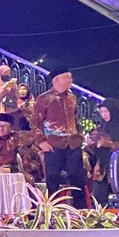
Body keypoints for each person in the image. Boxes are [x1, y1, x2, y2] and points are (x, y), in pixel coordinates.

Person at [32, 69, 86, 208]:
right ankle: (53, 211)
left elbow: (75, 118)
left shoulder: (72, 97)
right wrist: (41, 141)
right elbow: (35, 122)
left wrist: (80, 135)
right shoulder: (44, 98)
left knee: (78, 178)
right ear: (57, 80)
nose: (71, 81)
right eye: (67, 78)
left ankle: (81, 211)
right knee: (53, 179)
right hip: (53, 144)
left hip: (73, 143)